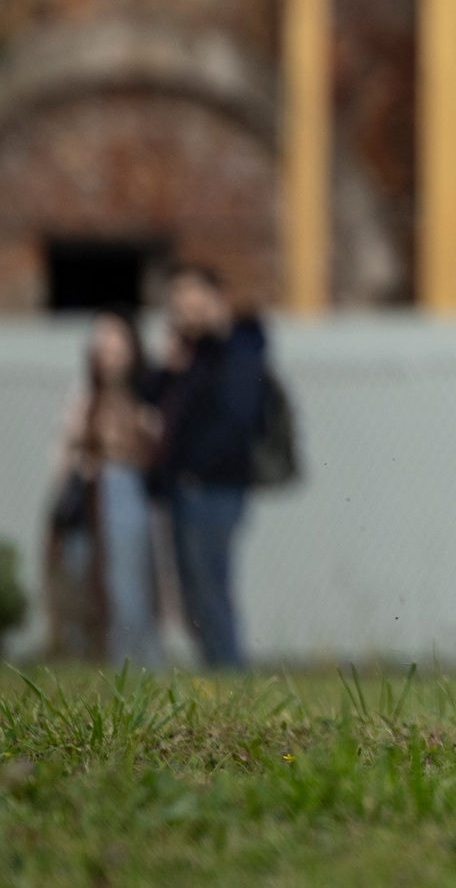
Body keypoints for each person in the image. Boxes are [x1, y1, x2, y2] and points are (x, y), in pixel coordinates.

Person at [149, 264, 268, 668]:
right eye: (177, 304)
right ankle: (214, 672)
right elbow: (155, 404)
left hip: (214, 487)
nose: (183, 311)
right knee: (190, 589)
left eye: (191, 300)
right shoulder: (188, 356)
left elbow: (238, 417)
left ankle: (229, 673)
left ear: (218, 299)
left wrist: (196, 468)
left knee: (209, 585)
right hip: (185, 487)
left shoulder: (239, 346)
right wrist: (169, 369)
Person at [46, 312, 164, 665]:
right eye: (102, 346)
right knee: (78, 576)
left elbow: (154, 448)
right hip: (85, 497)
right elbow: (65, 452)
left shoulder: (147, 395)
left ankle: (136, 663)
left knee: (128, 583)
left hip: (126, 492)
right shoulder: (84, 396)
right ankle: (87, 661)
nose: (108, 353)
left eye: (116, 345)